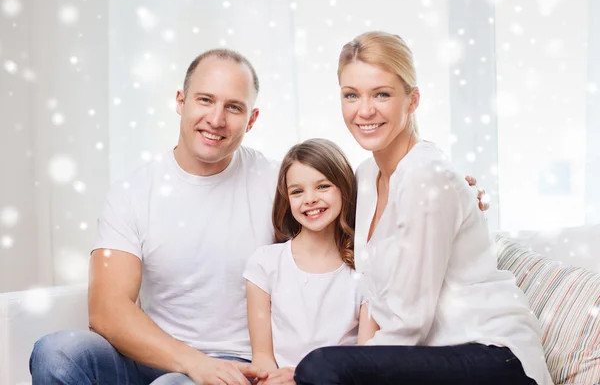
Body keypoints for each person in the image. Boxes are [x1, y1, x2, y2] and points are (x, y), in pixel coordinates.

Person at [29, 47, 488, 385]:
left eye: (234, 107)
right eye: (204, 100)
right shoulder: (133, 191)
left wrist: (452, 192)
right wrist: (191, 361)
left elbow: (356, 192)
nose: (216, 118)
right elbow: (106, 311)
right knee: (58, 351)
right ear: (180, 101)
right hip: (157, 355)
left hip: (241, 365)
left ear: (251, 119)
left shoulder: (277, 182)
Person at [294, 31, 553, 385]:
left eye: (382, 94)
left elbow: (408, 322)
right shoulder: (366, 177)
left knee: (320, 368)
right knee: (325, 367)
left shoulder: (427, 176)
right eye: (351, 95)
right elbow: (374, 296)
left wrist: (350, 368)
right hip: (431, 356)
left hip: (492, 354)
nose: (365, 110)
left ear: (413, 100)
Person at [244, 139, 370, 385]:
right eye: (297, 191)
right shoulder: (265, 264)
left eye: (322, 186)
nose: (309, 199)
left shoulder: (365, 268)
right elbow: (262, 358)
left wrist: (304, 378)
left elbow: (365, 362)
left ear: (344, 188)